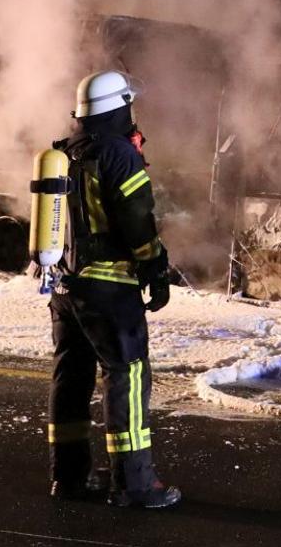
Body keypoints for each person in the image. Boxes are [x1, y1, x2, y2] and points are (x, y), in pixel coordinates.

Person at [48, 70, 181, 509]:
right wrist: (156, 268)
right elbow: (138, 221)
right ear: (119, 107)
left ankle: (67, 479)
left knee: (71, 379)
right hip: (109, 288)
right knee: (127, 375)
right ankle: (136, 484)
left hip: (65, 288)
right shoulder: (119, 155)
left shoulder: (65, 152)